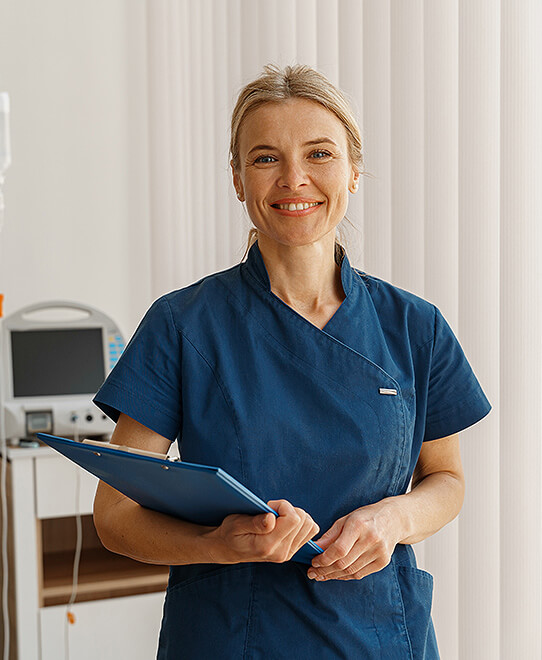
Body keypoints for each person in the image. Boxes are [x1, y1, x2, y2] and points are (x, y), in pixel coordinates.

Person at [92, 64, 491, 659]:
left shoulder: (415, 327)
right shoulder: (183, 325)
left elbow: (447, 481)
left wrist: (393, 521)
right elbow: (115, 515)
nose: (294, 179)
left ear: (353, 171)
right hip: (232, 637)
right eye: (264, 158)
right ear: (236, 178)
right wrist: (219, 544)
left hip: (378, 634)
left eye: (320, 153)